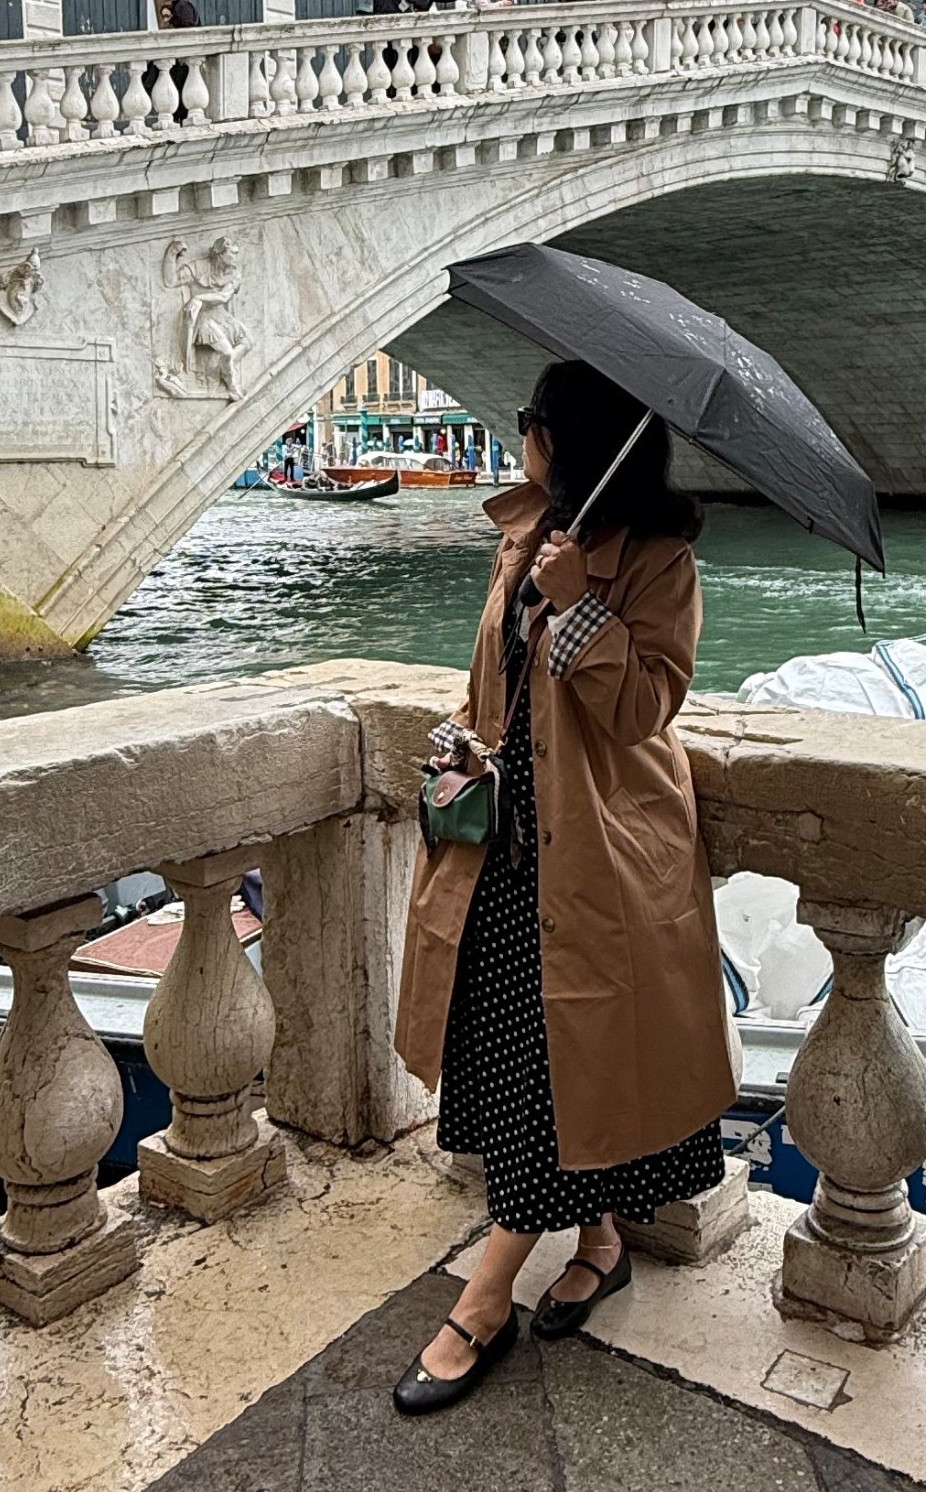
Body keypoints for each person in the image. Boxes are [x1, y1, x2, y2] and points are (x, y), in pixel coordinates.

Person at [392, 360, 737, 1416]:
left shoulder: (659, 560)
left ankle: (484, 1298)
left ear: (569, 436)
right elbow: (491, 684)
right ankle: (598, 1244)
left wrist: (582, 605)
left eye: (532, 420)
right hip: (505, 850)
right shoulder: (526, 536)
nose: (521, 434)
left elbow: (643, 711)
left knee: (562, 1072)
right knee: (533, 1063)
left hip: (600, 860)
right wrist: (464, 742)